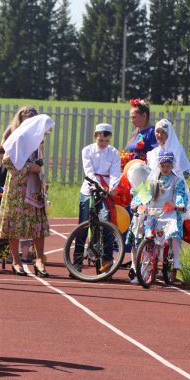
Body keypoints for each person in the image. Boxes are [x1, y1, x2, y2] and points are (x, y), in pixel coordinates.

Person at [0, 113, 53, 277]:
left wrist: (41, 176)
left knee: (37, 224)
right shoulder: (18, 137)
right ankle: (16, 261)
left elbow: (39, 161)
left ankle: (40, 259)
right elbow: (7, 161)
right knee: (14, 223)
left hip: (34, 186)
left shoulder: (37, 140)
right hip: (17, 187)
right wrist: (29, 168)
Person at [73, 123, 122, 273]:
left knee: (106, 220)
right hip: (89, 189)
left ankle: (107, 259)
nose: (103, 144)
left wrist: (113, 186)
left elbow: (115, 172)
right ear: (95, 137)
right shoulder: (87, 150)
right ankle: (77, 261)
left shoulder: (113, 153)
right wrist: (97, 185)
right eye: (100, 140)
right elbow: (88, 171)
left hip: (105, 191)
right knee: (84, 223)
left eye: (106, 141)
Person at [143, 150, 189, 283]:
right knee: (147, 235)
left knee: (174, 234)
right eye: (163, 166)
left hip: (170, 212)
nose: (166, 169)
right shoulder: (152, 179)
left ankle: (175, 260)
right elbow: (143, 193)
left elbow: (180, 193)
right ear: (159, 165)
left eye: (168, 166)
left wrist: (179, 204)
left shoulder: (177, 180)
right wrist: (139, 203)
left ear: (172, 166)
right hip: (154, 211)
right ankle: (145, 264)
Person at [1, 105, 39, 262]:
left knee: (30, 218)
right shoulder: (13, 132)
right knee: (14, 218)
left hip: (32, 180)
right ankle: (12, 254)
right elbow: (7, 157)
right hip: (17, 180)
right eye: (25, 120)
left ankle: (26, 252)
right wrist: (28, 167)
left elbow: (38, 155)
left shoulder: (37, 134)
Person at [122, 98, 157, 168]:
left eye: (134, 117)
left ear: (144, 115)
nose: (131, 120)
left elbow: (156, 153)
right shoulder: (134, 134)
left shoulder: (152, 132)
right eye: (131, 118)